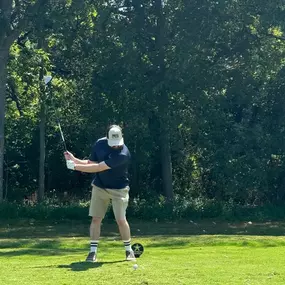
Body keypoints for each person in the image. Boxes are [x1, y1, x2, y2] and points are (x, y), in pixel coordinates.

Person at [64, 125, 136, 262]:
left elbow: (98, 168)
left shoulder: (123, 154)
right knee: (96, 219)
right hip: (100, 186)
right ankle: (92, 252)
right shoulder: (100, 144)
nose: (116, 147)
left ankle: (128, 250)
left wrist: (75, 167)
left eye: (118, 144)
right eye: (113, 144)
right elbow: (91, 162)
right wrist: (74, 160)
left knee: (121, 220)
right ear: (107, 138)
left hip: (119, 189)